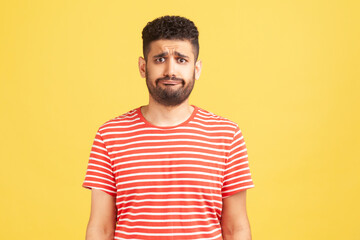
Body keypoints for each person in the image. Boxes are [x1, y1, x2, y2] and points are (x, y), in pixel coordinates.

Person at [83, 15, 254, 240]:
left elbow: (236, 228)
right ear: (143, 67)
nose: (170, 71)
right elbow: (101, 229)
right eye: (160, 59)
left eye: (182, 60)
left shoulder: (227, 135)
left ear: (197, 68)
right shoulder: (110, 135)